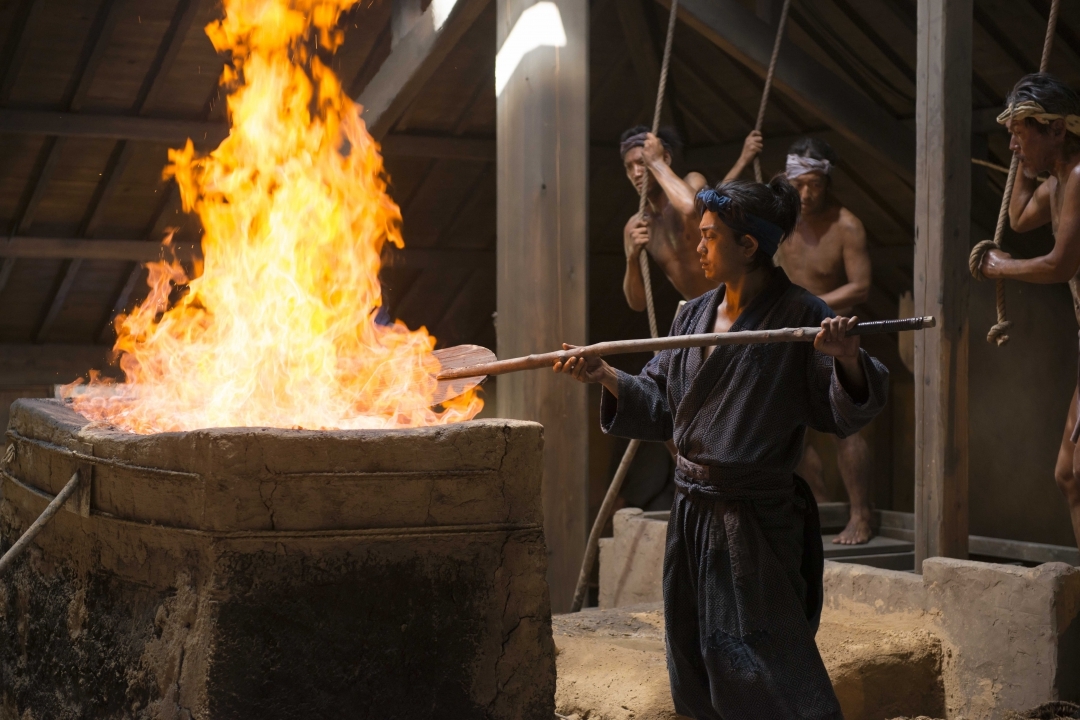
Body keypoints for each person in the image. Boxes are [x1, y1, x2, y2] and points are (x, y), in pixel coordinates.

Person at [555, 177, 889, 718]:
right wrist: (607, 375)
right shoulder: (691, 315)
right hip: (691, 516)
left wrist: (847, 357)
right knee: (694, 655)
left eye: (709, 237)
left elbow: (848, 406)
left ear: (749, 245)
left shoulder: (803, 317)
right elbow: (663, 403)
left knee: (767, 661)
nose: (698, 247)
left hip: (756, 520)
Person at [979, 73, 1080, 551]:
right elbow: (1018, 218)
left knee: (1075, 473)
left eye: (1022, 134)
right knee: (1070, 475)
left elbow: (1061, 265)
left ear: (1058, 131)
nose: (1014, 146)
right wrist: (1021, 157)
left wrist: (1003, 266)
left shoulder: (1079, 174)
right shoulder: (1060, 183)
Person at [775, 137, 876, 545]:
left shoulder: (845, 225)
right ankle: (816, 504)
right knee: (787, 427)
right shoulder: (780, 222)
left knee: (845, 428)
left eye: (814, 183)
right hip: (787, 336)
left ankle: (861, 515)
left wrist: (808, 307)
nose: (806, 192)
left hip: (833, 336)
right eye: (799, 183)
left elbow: (861, 287)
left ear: (827, 181)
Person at [621, 126, 763, 310]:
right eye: (629, 167)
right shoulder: (637, 225)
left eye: (641, 162)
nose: (636, 173)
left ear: (665, 158)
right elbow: (637, 304)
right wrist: (631, 259)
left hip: (737, 301)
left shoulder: (692, 182)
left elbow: (691, 208)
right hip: (699, 313)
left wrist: (656, 163)